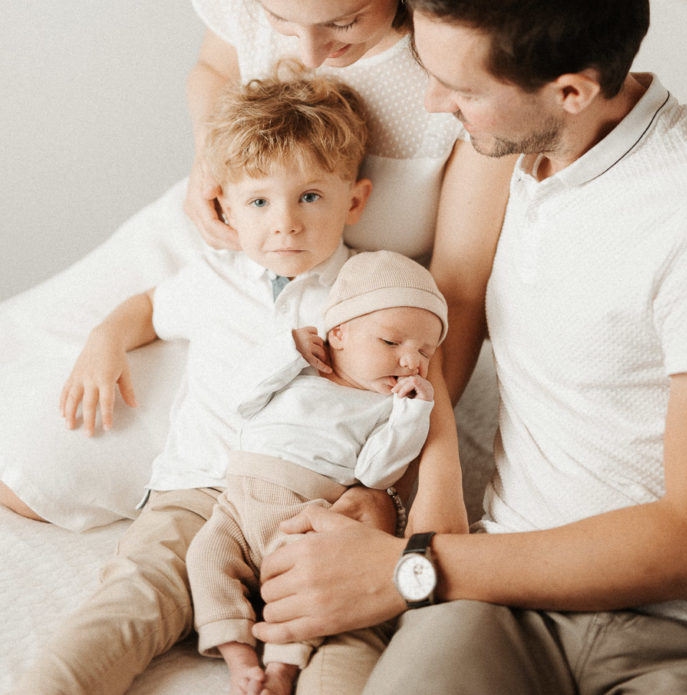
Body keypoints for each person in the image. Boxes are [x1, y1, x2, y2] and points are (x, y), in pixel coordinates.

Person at [251, 0, 687, 694]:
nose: (433, 104)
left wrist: (411, 569)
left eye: (460, 86)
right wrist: (381, 488)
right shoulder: (503, 149)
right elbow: (450, 306)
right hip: (495, 599)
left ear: (572, 90)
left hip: (685, 631)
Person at [0, 0, 511, 537]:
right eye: (281, 23)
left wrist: (401, 458)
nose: (306, 54)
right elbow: (212, 72)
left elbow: (458, 294)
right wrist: (212, 153)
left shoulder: (462, 62)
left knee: (58, 470)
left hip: (324, 319)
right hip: (206, 249)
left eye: (343, 23)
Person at [13, 69, 464, 695]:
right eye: (259, 202)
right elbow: (146, 307)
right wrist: (105, 342)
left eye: (310, 197)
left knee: (342, 626)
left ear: (354, 201)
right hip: (194, 491)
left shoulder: (374, 292)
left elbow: (416, 403)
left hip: (314, 500)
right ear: (224, 206)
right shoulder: (213, 278)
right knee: (136, 592)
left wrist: (384, 505)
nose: (285, 224)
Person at [187, 249, 451, 695]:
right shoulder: (298, 370)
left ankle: (282, 669)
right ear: (340, 333)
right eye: (392, 343)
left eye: (424, 351)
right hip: (237, 504)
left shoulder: (383, 409)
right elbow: (242, 399)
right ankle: (238, 657)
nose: (411, 360)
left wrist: (412, 415)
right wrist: (287, 349)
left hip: (304, 516)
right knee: (205, 557)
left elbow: (377, 474)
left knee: (303, 589)